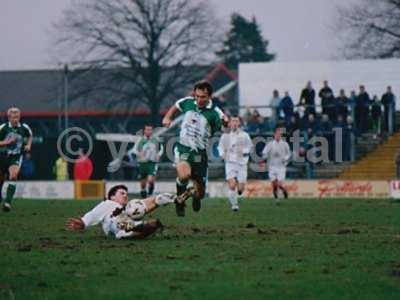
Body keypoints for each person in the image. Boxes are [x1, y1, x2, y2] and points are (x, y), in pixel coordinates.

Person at [162, 81, 228, 217]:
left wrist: (225, 122)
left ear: (210, 96)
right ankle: (180, 200)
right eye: (196, 96)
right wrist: (167, 117)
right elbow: (176, 105)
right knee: (184, 175)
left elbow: (224, 123)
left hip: (200, 154)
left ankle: (196, 197)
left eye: (202, 97)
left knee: (201, 193)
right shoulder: (188, 102)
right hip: (183, 148)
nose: (198, 99)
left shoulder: (215, 112)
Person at [66, 184, 183, 240]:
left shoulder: (129, 207)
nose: (125, 195)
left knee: (140, 214)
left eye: (126, 193)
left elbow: (148, 204)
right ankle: (134, 230)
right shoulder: (108, 204)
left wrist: (168, 200)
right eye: (122, 193)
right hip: (115, 224)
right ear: (112, 197)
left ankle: (136, 231)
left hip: (126, 222)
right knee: (127, 222)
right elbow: (93, 214)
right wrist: (83, 222)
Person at [0, 107, 33, 212]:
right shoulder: (3, 128)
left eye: (17, 117)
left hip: (16, 156)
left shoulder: (24, 127)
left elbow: (30, 136)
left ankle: (8, 203)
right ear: (9, 117)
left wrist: (28, 145)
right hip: (2, 156)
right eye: (13, 117)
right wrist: (6, 143)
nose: (16, 119)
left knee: (13, 176)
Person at [218, 116, 253, 211]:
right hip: (230, 163)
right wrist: (222, 155)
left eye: (236, 121)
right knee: (232, 185)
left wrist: (244, 151)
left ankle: (239, 188)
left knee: (240, 189)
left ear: (239, 123)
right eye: (232, 120)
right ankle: (234, 205)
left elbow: (250, 147)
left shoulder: (244, 135)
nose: (234, 122)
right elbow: (220, 147)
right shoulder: (225, 135)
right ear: (229, 123)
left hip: (242, 164)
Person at [132, 124, 164, 198]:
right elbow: (134, 150)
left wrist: (159, 155)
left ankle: (151, 190)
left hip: (152, 162)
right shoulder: (140, 140)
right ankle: (143, 193)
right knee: (143, 183)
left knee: (150, 180)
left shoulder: (155, 139)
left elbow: (161, 148)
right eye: (147, 130)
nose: (149, 131)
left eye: (150, 130)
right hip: (142, 163)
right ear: (144, 131)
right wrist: (139, 153)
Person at [262, 127, 291, 204]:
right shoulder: (270, 144)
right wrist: (264, 157)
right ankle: (276, 198)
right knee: (274, 184)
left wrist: (285, 158)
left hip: (281, 167)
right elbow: (264, 153)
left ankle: (284, 190)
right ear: (274, 135)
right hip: (272, 167)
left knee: (279, 183)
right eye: (277, 134)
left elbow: (288, 154)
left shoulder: (285, 144)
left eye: (280, 134)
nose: (278, 136)